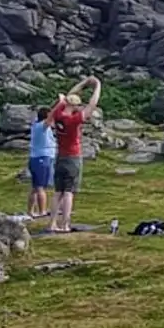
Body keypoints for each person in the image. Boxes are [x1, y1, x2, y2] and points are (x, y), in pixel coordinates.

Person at [47, 76, 101, 233]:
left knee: (58, 192)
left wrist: (83, 83)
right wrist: (97, 85)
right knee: (69, 192)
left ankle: (51, 224)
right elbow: (92, 104)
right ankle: (64, 224)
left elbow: (67, 97)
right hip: (73, 157)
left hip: (60, 156)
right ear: (76, 106)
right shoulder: (74, 120)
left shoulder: (58, 114)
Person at [26, 103, 58, 219]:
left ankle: (30, 211)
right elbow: (51, 115)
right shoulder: (42, 126)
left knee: (35, 188)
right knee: (40, 188)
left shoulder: (35, 125)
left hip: (35, 158)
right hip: (42, 158)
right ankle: (42, 211)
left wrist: (57, 102)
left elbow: (50, 111)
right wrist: (62, 103)